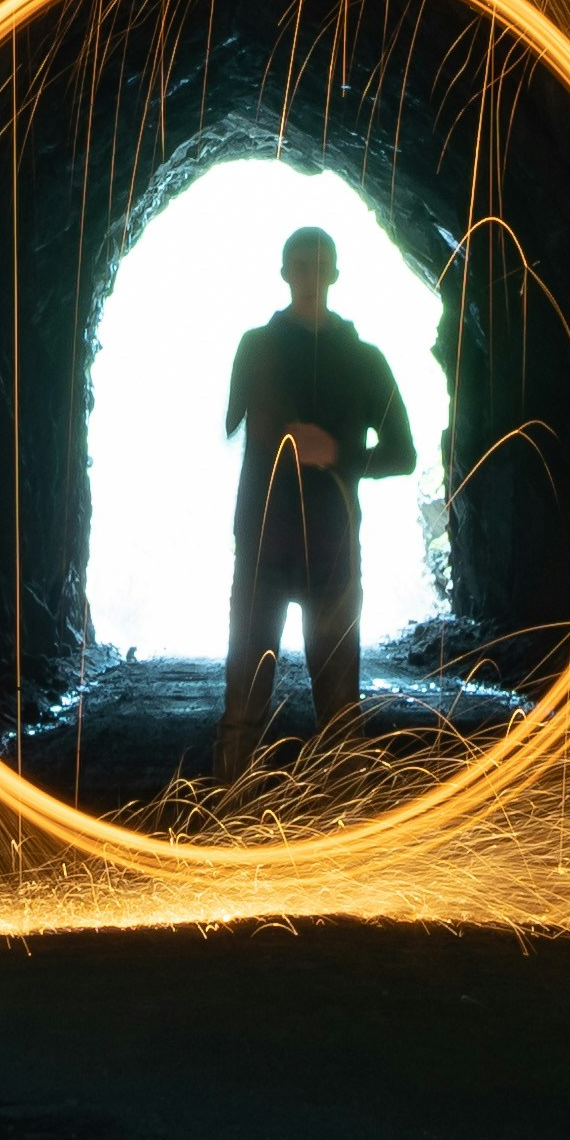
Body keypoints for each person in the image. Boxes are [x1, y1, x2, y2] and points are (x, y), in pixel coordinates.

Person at [213, 220, 418, 782]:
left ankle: (339, 816)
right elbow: (231, 422)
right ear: (285, 273)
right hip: (266, 542)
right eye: (302, 266)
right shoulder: (257, 347)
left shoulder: (364, 360)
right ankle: (232, 807)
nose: (310, 277)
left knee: (339, 711)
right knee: (245, 704)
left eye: (318, 266)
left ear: (335, 274)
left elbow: (404, 454)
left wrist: (336, 455)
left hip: (327, 547)